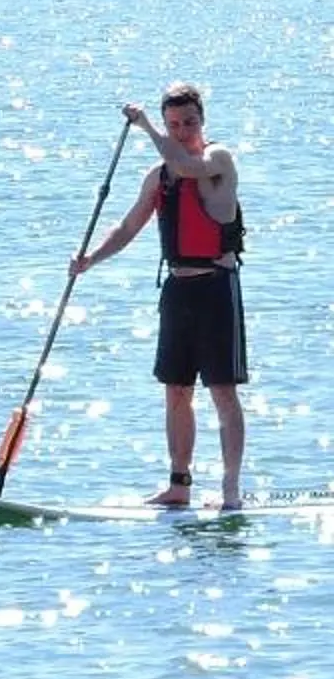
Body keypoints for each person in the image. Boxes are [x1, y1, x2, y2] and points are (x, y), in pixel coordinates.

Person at [69, 83, 245, 509]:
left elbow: (187, 166)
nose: (181, 131)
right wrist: (90, 259)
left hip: (217, 288)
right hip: (177, 290)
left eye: (188, 123)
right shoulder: (158, 176)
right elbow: (129, 227)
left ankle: (230, 490)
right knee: (176, 390)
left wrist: (146, 125)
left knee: (221, 390)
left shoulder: (217, 159)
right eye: (173, 124)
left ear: (202, 121)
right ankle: (179, 485)